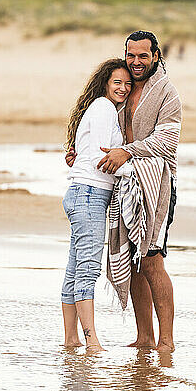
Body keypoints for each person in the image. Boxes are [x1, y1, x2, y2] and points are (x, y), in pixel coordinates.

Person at [67, 31, 181, 352]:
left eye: (142, 56)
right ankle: (144, 337)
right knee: (131, 261)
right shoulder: (120, 89)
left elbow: (167, 141)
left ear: (156, 56)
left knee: (152, 260)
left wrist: (127, 152)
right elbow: (103, 137)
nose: (135, 62)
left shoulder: (166, 94)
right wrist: (81, 152)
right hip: (124, 183)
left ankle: (166, 341)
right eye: (131, 55)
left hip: (157, 183)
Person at [61, 59, 132, 352]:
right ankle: (92, 343)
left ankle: (71, 339)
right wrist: (138, 170)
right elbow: (102, 159)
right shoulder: (103, 108)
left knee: (75, 268)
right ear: (105, 83)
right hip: (89, 194)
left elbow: (88, 154)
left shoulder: (102, 109)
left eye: (128, 84)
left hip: (82, 193)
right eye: (117, 82)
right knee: (87, 269)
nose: (123, 88)